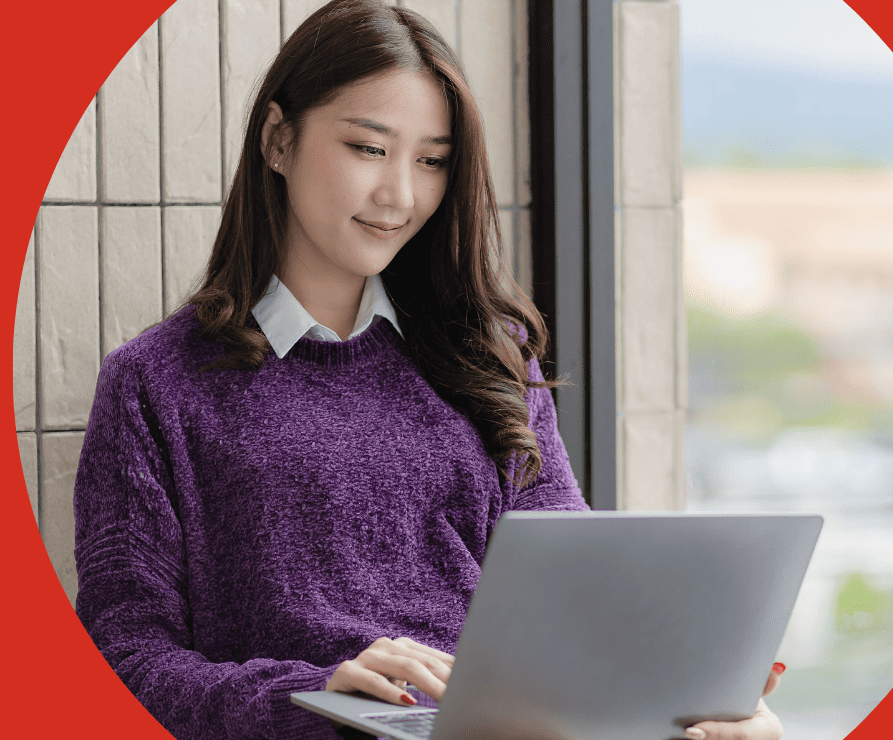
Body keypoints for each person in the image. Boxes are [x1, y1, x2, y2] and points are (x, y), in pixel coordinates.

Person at [72, 1, 785, 738]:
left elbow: (579, 604)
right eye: (368, 149)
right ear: (279, 140)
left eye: (432, 160)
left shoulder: (490, 356)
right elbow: (124, 663)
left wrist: (701, 691)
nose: (400, 196)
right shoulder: (157, 383)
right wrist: (317, 695)